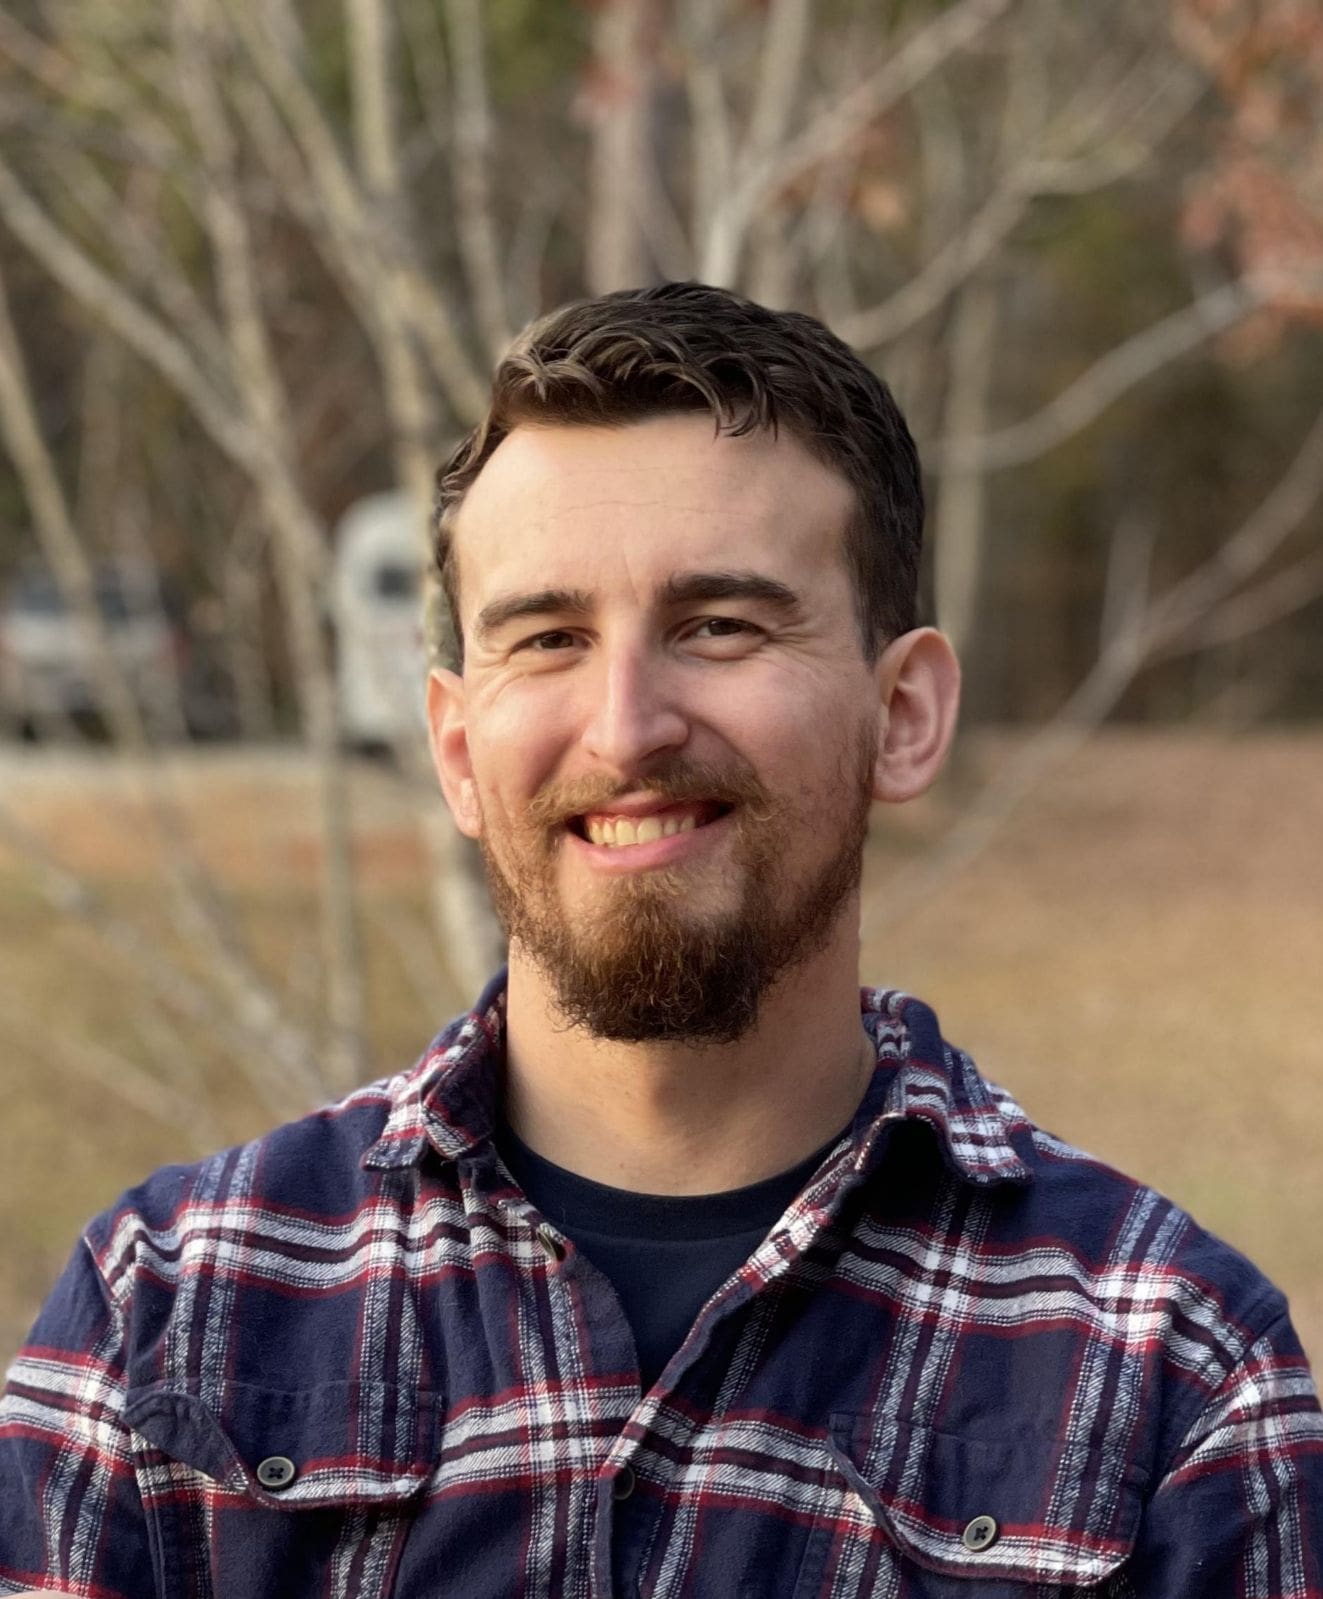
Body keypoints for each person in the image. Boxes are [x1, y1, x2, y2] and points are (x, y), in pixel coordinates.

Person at [1, 282, 1318, 1599]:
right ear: (459, 750)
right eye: (549, 638)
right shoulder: (169, 1313)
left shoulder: (1173, 1380)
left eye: (720, 626)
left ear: (903, 713)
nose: (627, 726)